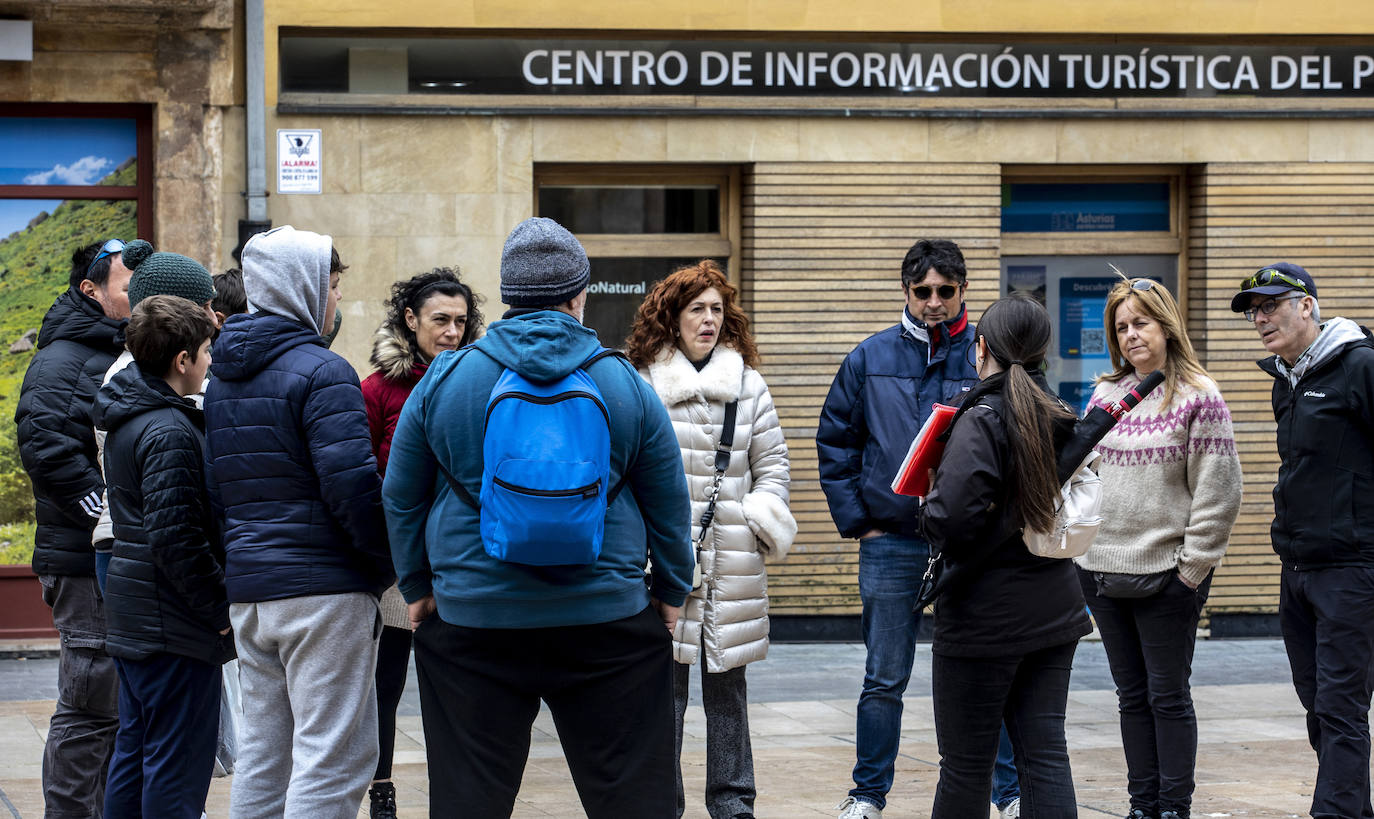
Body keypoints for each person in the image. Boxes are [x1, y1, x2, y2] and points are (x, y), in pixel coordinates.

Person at [382, 216, 694, 818]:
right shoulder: (622, 379)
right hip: (607, 616)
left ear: (508, 298)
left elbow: (401, 494)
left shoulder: (448, 378)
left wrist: (417, 587)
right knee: (632, 796)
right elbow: (667, 499)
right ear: (580, 294)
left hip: (474, 615)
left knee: (470, 798)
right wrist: (672, 590)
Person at [818, 239, 1023, 819]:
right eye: (922, 291)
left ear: (963, 290)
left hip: (970, 542)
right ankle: (867, 794)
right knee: (884, 676)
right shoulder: (869, 356)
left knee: (989, 669)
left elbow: (1016, 436)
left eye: (946, 291)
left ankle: (1006, 792)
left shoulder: (988, 355)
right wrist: (861, 523)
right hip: (893, 540)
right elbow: (836, 442)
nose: (934, 302)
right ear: (905, 291)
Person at [203, 225, 394, 818]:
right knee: (333, 760)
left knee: (266, 755)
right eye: (332, 286)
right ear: (302, 288)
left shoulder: (222, 378)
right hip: (323, 593)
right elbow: (353, 486)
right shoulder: (323, 369)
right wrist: (383, 563)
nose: (336, 300)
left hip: (252, 594)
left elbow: (217, 490)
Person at [625, 260, 796, 819]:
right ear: (671, 318)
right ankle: (660, 802)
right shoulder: (643, 383)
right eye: (696, 308)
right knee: (663, 694)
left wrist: (758, 517)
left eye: (717, 310)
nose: (708, 319)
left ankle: (733, 803)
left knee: (728, 691)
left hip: (732, 560)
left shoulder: (748, 384)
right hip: (665, 560)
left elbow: (772, 466)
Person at [1075, 277, 1243, 819]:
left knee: (1167, 696)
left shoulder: (1200, 394)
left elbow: (1220, 491)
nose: (1131, 335)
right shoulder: (1105, 395)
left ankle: (1173, 807)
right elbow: (1081, 475)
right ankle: (1142, 805)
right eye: (1121, 327)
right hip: (1101, 571)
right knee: (1130, 696)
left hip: (1170, 574)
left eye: (1141, 322)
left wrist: (1192, 569)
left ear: (1166, 325)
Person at [921, 295, 1091, 818]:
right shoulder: (1060, 412)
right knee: (1044, 755)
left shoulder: (984, 416)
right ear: (1043, 355)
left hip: (984, 618)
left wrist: (928, 502)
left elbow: (952, 518)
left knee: (966, 765)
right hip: (1056, 610)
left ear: (981, 350)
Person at [1231, 262, 1374, 819]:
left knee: (1340, 708)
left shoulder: (1359, 366)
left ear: (1307, 306)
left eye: (1271, 305)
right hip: (1298, 569)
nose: (1261, 318)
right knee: (1319, 705)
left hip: (1352, 569)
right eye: (1254, 312)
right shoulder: (1290, 380)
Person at [96, 294, 233, 819]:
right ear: (182, 361)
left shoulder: (135, 414)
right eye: (205, 350)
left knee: (136, 752)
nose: (209, 362)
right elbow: (176, 537)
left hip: (139, 616)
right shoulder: (169, 430)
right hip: (170, 624)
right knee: (176, 769)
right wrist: (218, 614)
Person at [360, 267, 484, 819]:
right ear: (411, 321)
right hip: (394, 563)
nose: (452, 331)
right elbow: (359, 477)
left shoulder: (483, 383)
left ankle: (456, 796)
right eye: (440, 320)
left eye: (461, 321)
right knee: (386, 686)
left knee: (455, 692)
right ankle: (381, 792)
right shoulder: (377, 390)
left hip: (462, 562)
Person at [15, 238, 132, 818]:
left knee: (112, 710)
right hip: (84, 564)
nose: (139, 291)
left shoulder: (112, 347)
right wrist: (104, 515)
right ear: (91, 289)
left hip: (110, 561)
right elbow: (44, 445)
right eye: (127, 283)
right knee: (88, 710)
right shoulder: (63, 357)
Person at [91, 239, 219, 592]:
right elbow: (169, 520)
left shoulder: (163, 379)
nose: (213, 318)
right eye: (204, 306)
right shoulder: (133, 384)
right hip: (146, 556)